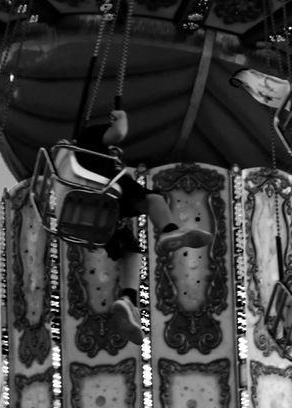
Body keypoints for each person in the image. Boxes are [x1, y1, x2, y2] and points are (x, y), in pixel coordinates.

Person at [55, 109, 212, 344]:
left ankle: (128, 300)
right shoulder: (93, 148)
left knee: (129, 249)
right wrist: (121, 118)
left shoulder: (64, 166)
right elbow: (118, 132)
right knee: (153, 200)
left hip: (87, 212)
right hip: (105, 189)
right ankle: (169, 231)